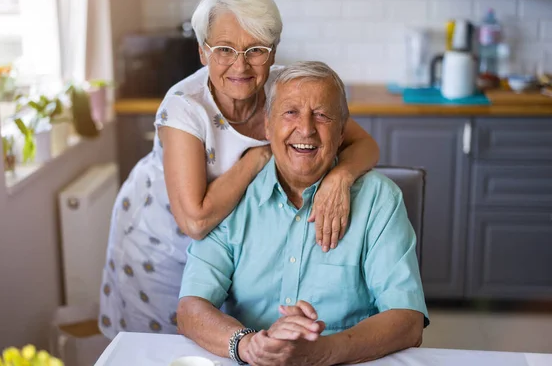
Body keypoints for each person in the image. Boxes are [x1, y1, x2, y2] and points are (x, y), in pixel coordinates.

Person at [99, 0, 380, 339]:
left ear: (273, 51)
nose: (240, 64)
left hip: (230, 252)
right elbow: (195, 220)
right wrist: (258, 157)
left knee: (231, 344)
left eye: (255, 50)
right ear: (203, 52)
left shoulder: (286, 90)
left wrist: (339, 178)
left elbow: (365, 145)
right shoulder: (185, 106)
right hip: (161, 248)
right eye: (224, 50)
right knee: (168, 350)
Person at [177, 61, 429, 366]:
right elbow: (191, 307)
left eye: (322, 115)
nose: (306, 129)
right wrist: (247, 345)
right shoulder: (234, 196)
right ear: (268, 126)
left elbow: (407, 320)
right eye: (290, 112)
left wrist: (322, 352)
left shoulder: (379, 199)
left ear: (340, 134)